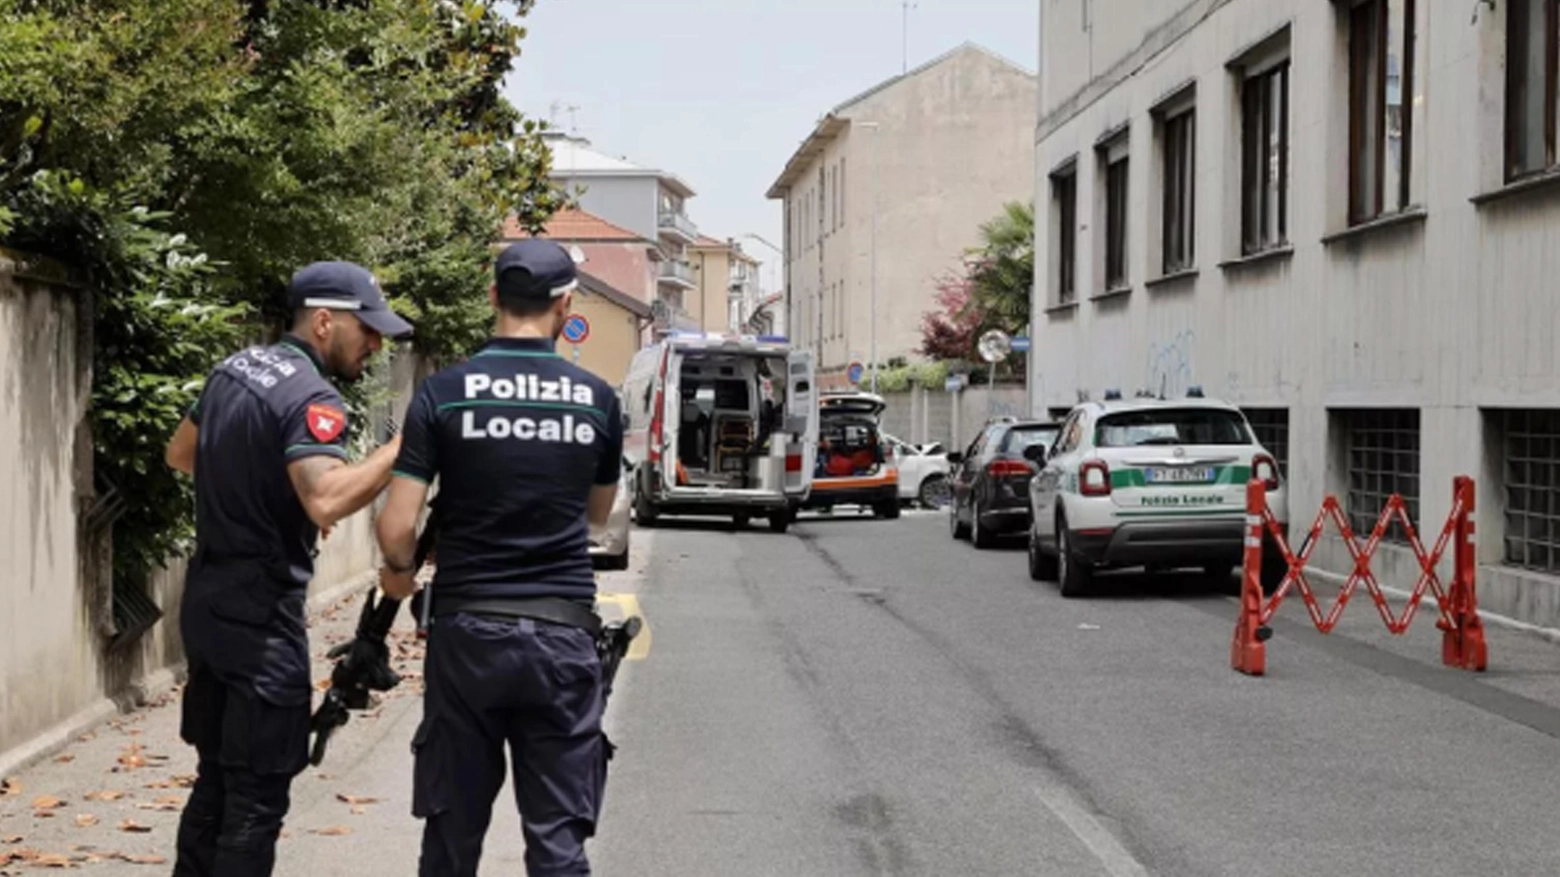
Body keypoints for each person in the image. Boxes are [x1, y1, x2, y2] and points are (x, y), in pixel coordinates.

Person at [375, 239, 624, 877]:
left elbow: (398, 525)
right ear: (565, 304)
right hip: (562, 635)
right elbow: (597, 516)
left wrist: (400, 574)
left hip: (467, 636)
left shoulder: (444, 395)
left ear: (493, 297)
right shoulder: (597, 400)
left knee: (452, 836)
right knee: (558, 843)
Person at [163, 261, 413, 877]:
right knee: (258, 795)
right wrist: (405, 446)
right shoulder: (311, 396)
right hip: (259, 616)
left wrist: (264, 497)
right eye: (368, 330)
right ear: (324, 321)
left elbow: (181, 453)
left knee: (217, 778)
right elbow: (326, 497)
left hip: (208, 601)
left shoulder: (235, 369)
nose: (376, 345)